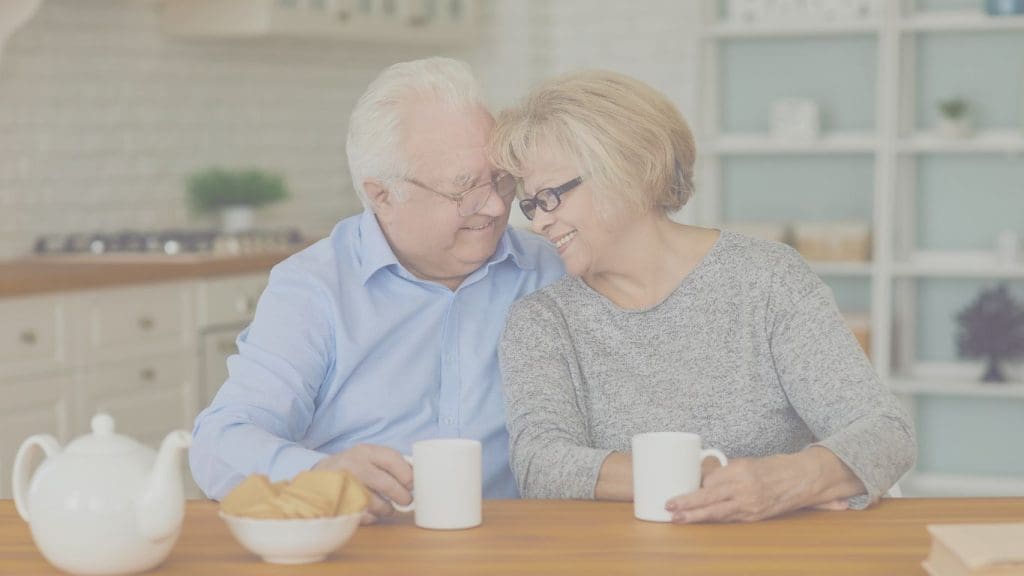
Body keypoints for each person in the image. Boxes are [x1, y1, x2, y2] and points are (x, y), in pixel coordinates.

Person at [491, 70, 915, 523]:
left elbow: (886, 433)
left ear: (626, 169)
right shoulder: (542, 319)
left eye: (551, 196)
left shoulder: (767, 278)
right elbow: (541, 464)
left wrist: (789, 480)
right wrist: (704, 478)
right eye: (531, 205)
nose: (539, 223)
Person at [189, 57, 564, 523]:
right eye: (463, 188)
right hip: (364, 547)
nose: (492, 205)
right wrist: (319, 472)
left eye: (501, 179)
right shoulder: (315, 288)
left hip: (512, 544)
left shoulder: (551, 269)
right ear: (382, 195)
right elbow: (219, 443)